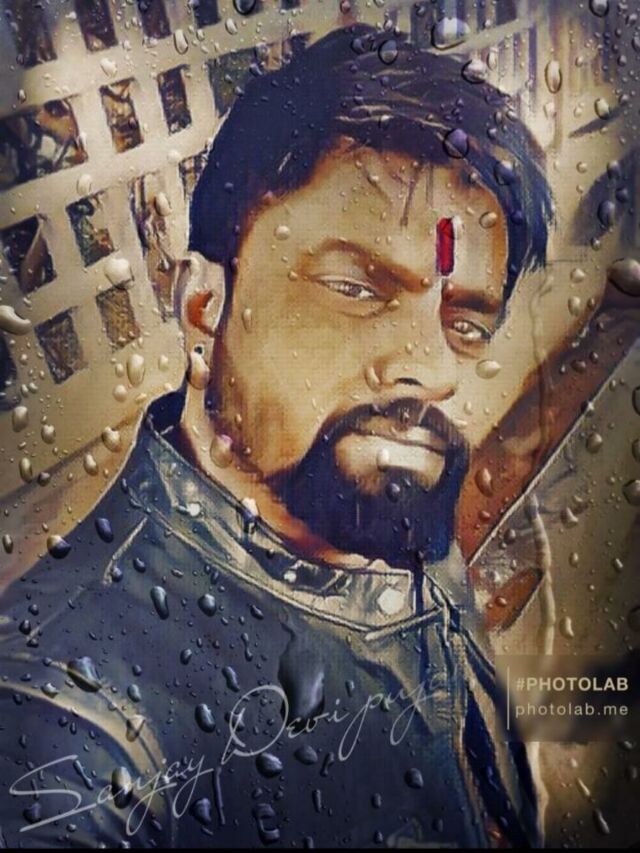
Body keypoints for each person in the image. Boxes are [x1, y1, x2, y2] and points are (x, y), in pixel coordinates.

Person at [0, 24, 554, 848]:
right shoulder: (68, 703)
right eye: (356, 287)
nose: (433, 367)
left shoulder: (378, 487)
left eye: (466, 323)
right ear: (203, 308)